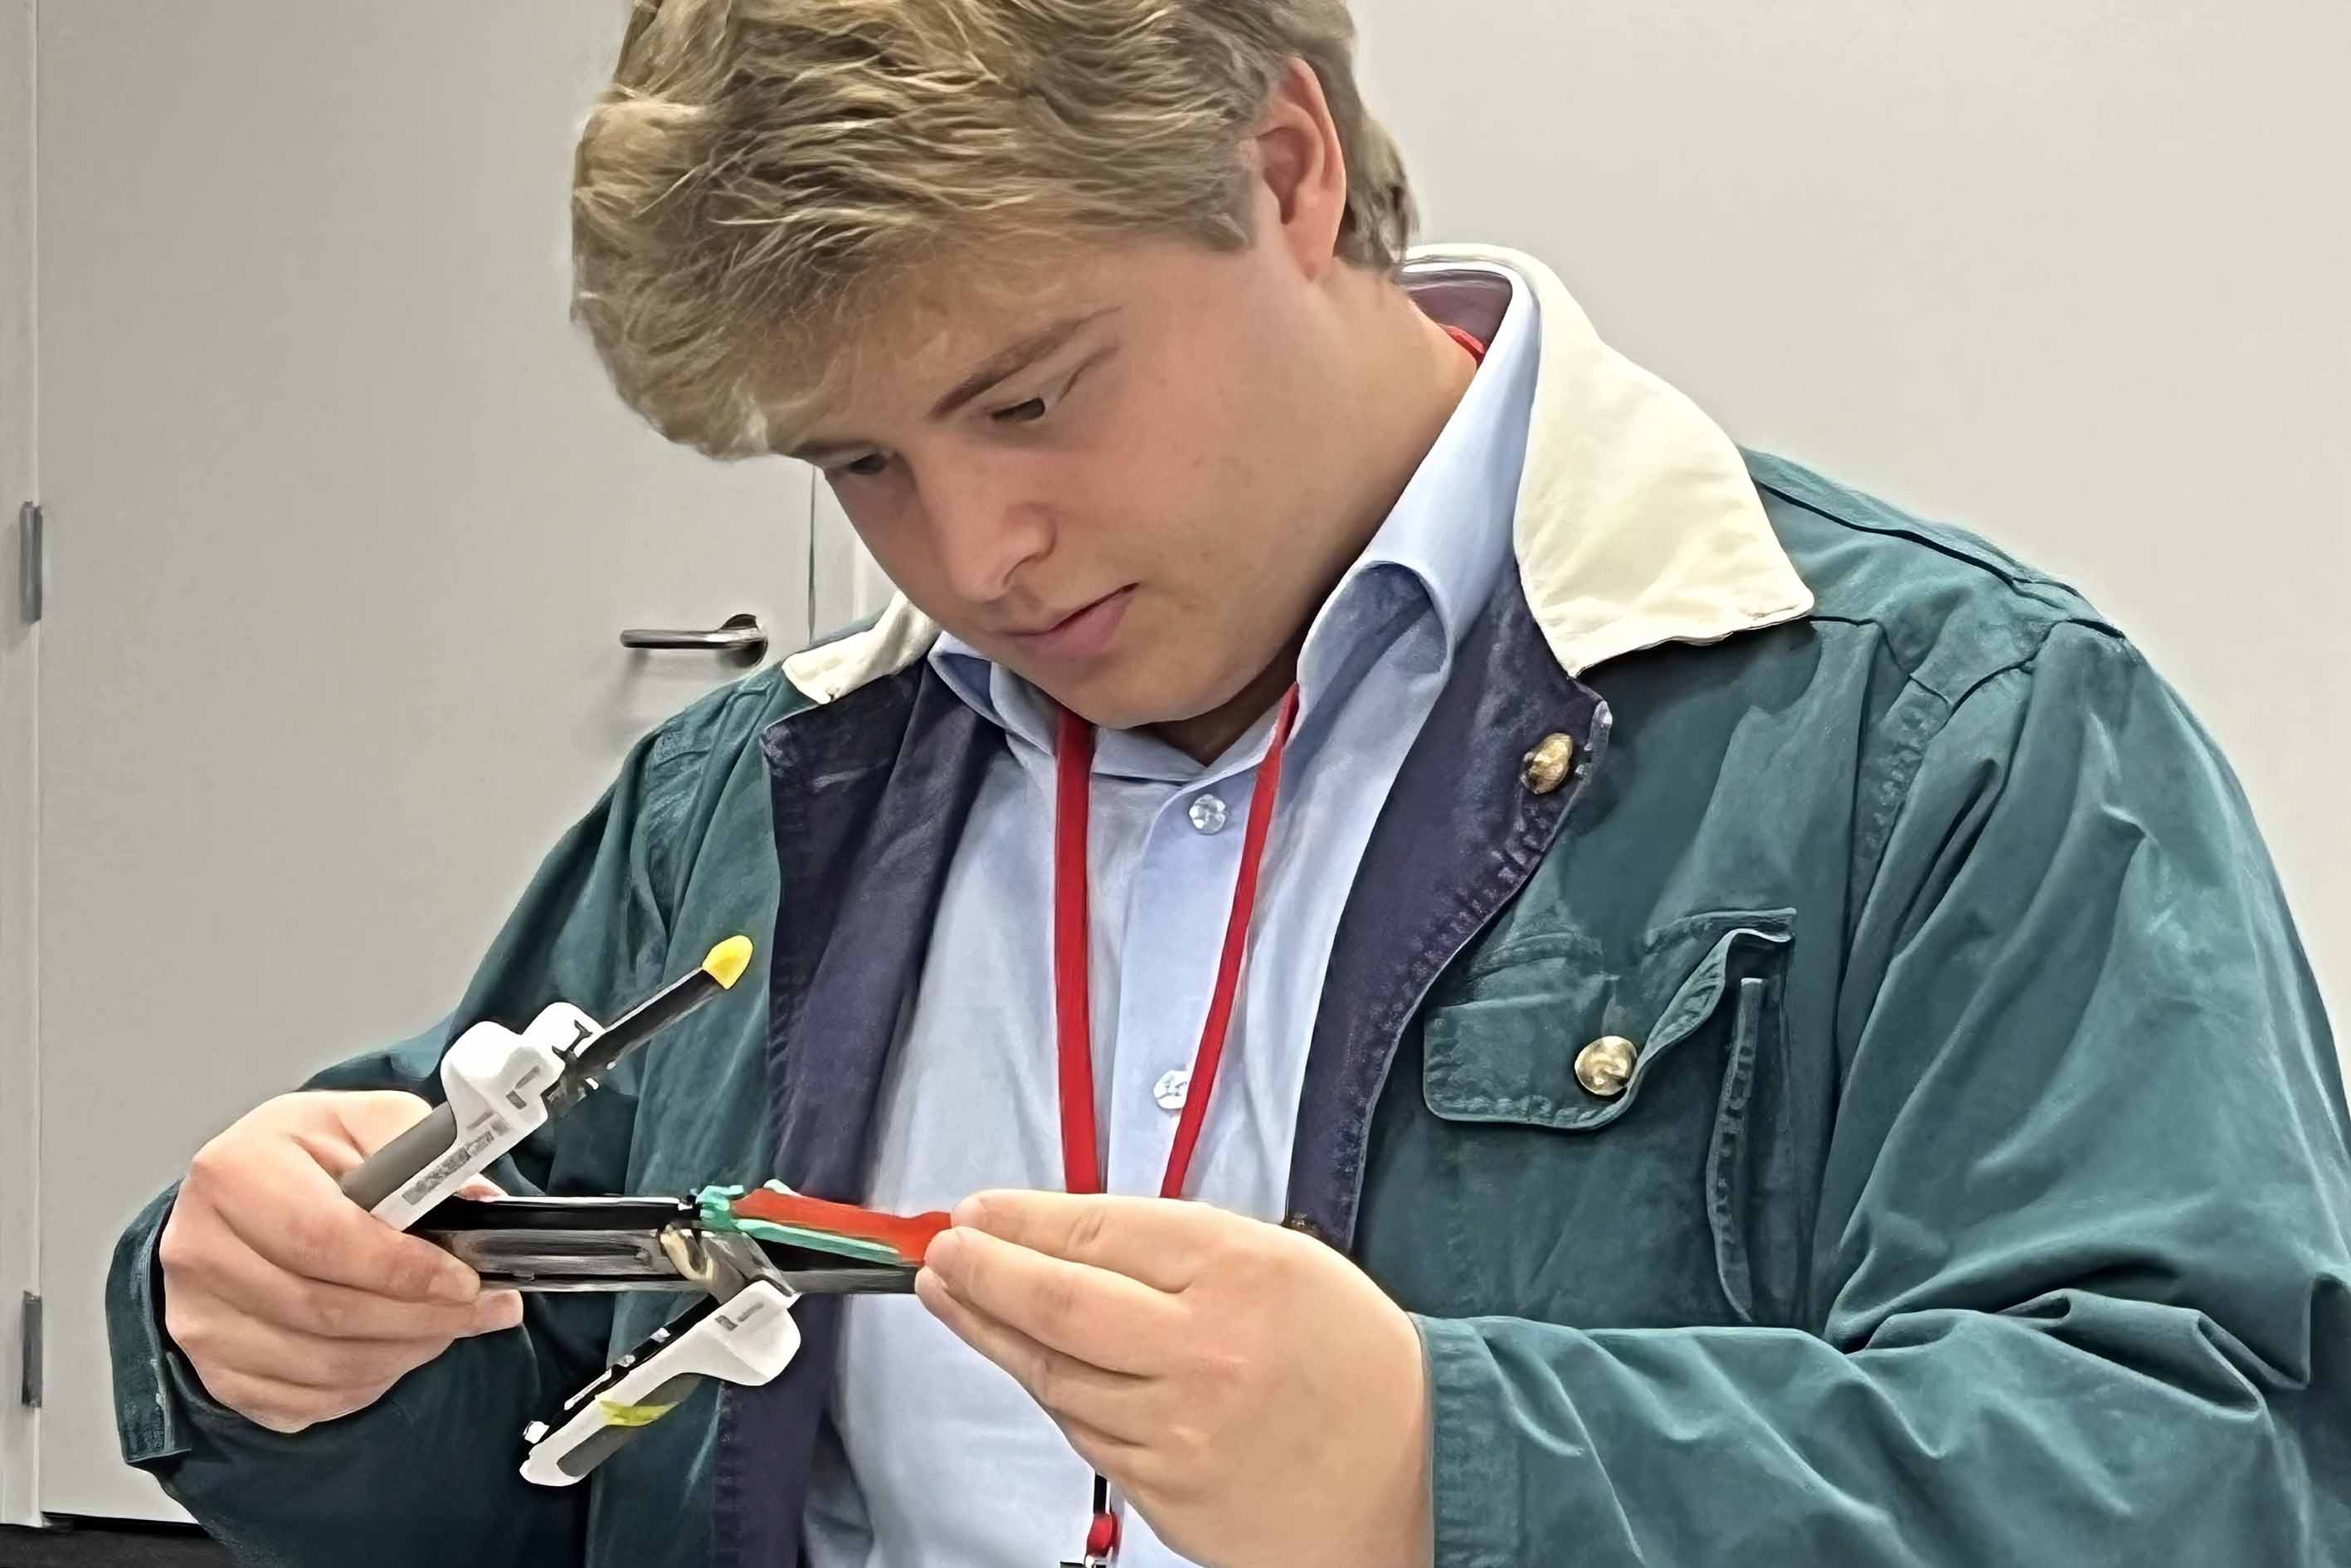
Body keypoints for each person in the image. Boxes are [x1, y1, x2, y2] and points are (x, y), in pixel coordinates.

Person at [107, 2, 2351, 1565]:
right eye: (859, 464)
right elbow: (498, 1448)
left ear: (1282, 166)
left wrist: (1449, 1475)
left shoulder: (1942, 736)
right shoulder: (760, 789)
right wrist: (271, 1339)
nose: (973, 555)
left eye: (1034, 397)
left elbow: (2218, 1473)